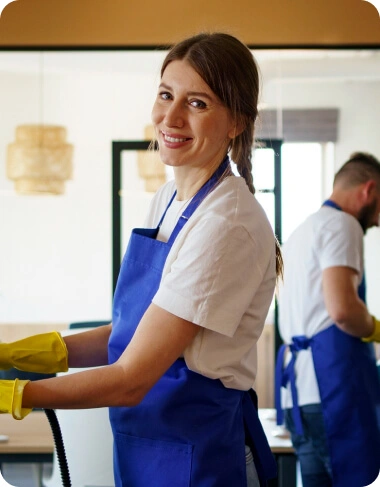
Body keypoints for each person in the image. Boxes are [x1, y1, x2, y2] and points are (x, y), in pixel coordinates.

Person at [0, 32, 283, 486]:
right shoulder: (170, 197)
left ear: (236, 123)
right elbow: (137, 334)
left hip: (198, 455)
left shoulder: (225, 223)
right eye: (166, 95)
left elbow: (133, 377)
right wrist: (24, 352)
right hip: (148, 448)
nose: (170, 117)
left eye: (198, 103)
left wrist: (17, 394)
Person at [275, 152, 380, 487]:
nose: (378, 221)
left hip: (298, 398)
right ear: (369, 190)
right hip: (333, 392)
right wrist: (377, 329)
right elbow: (343, 310)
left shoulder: (298, 234)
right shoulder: (343, 224)